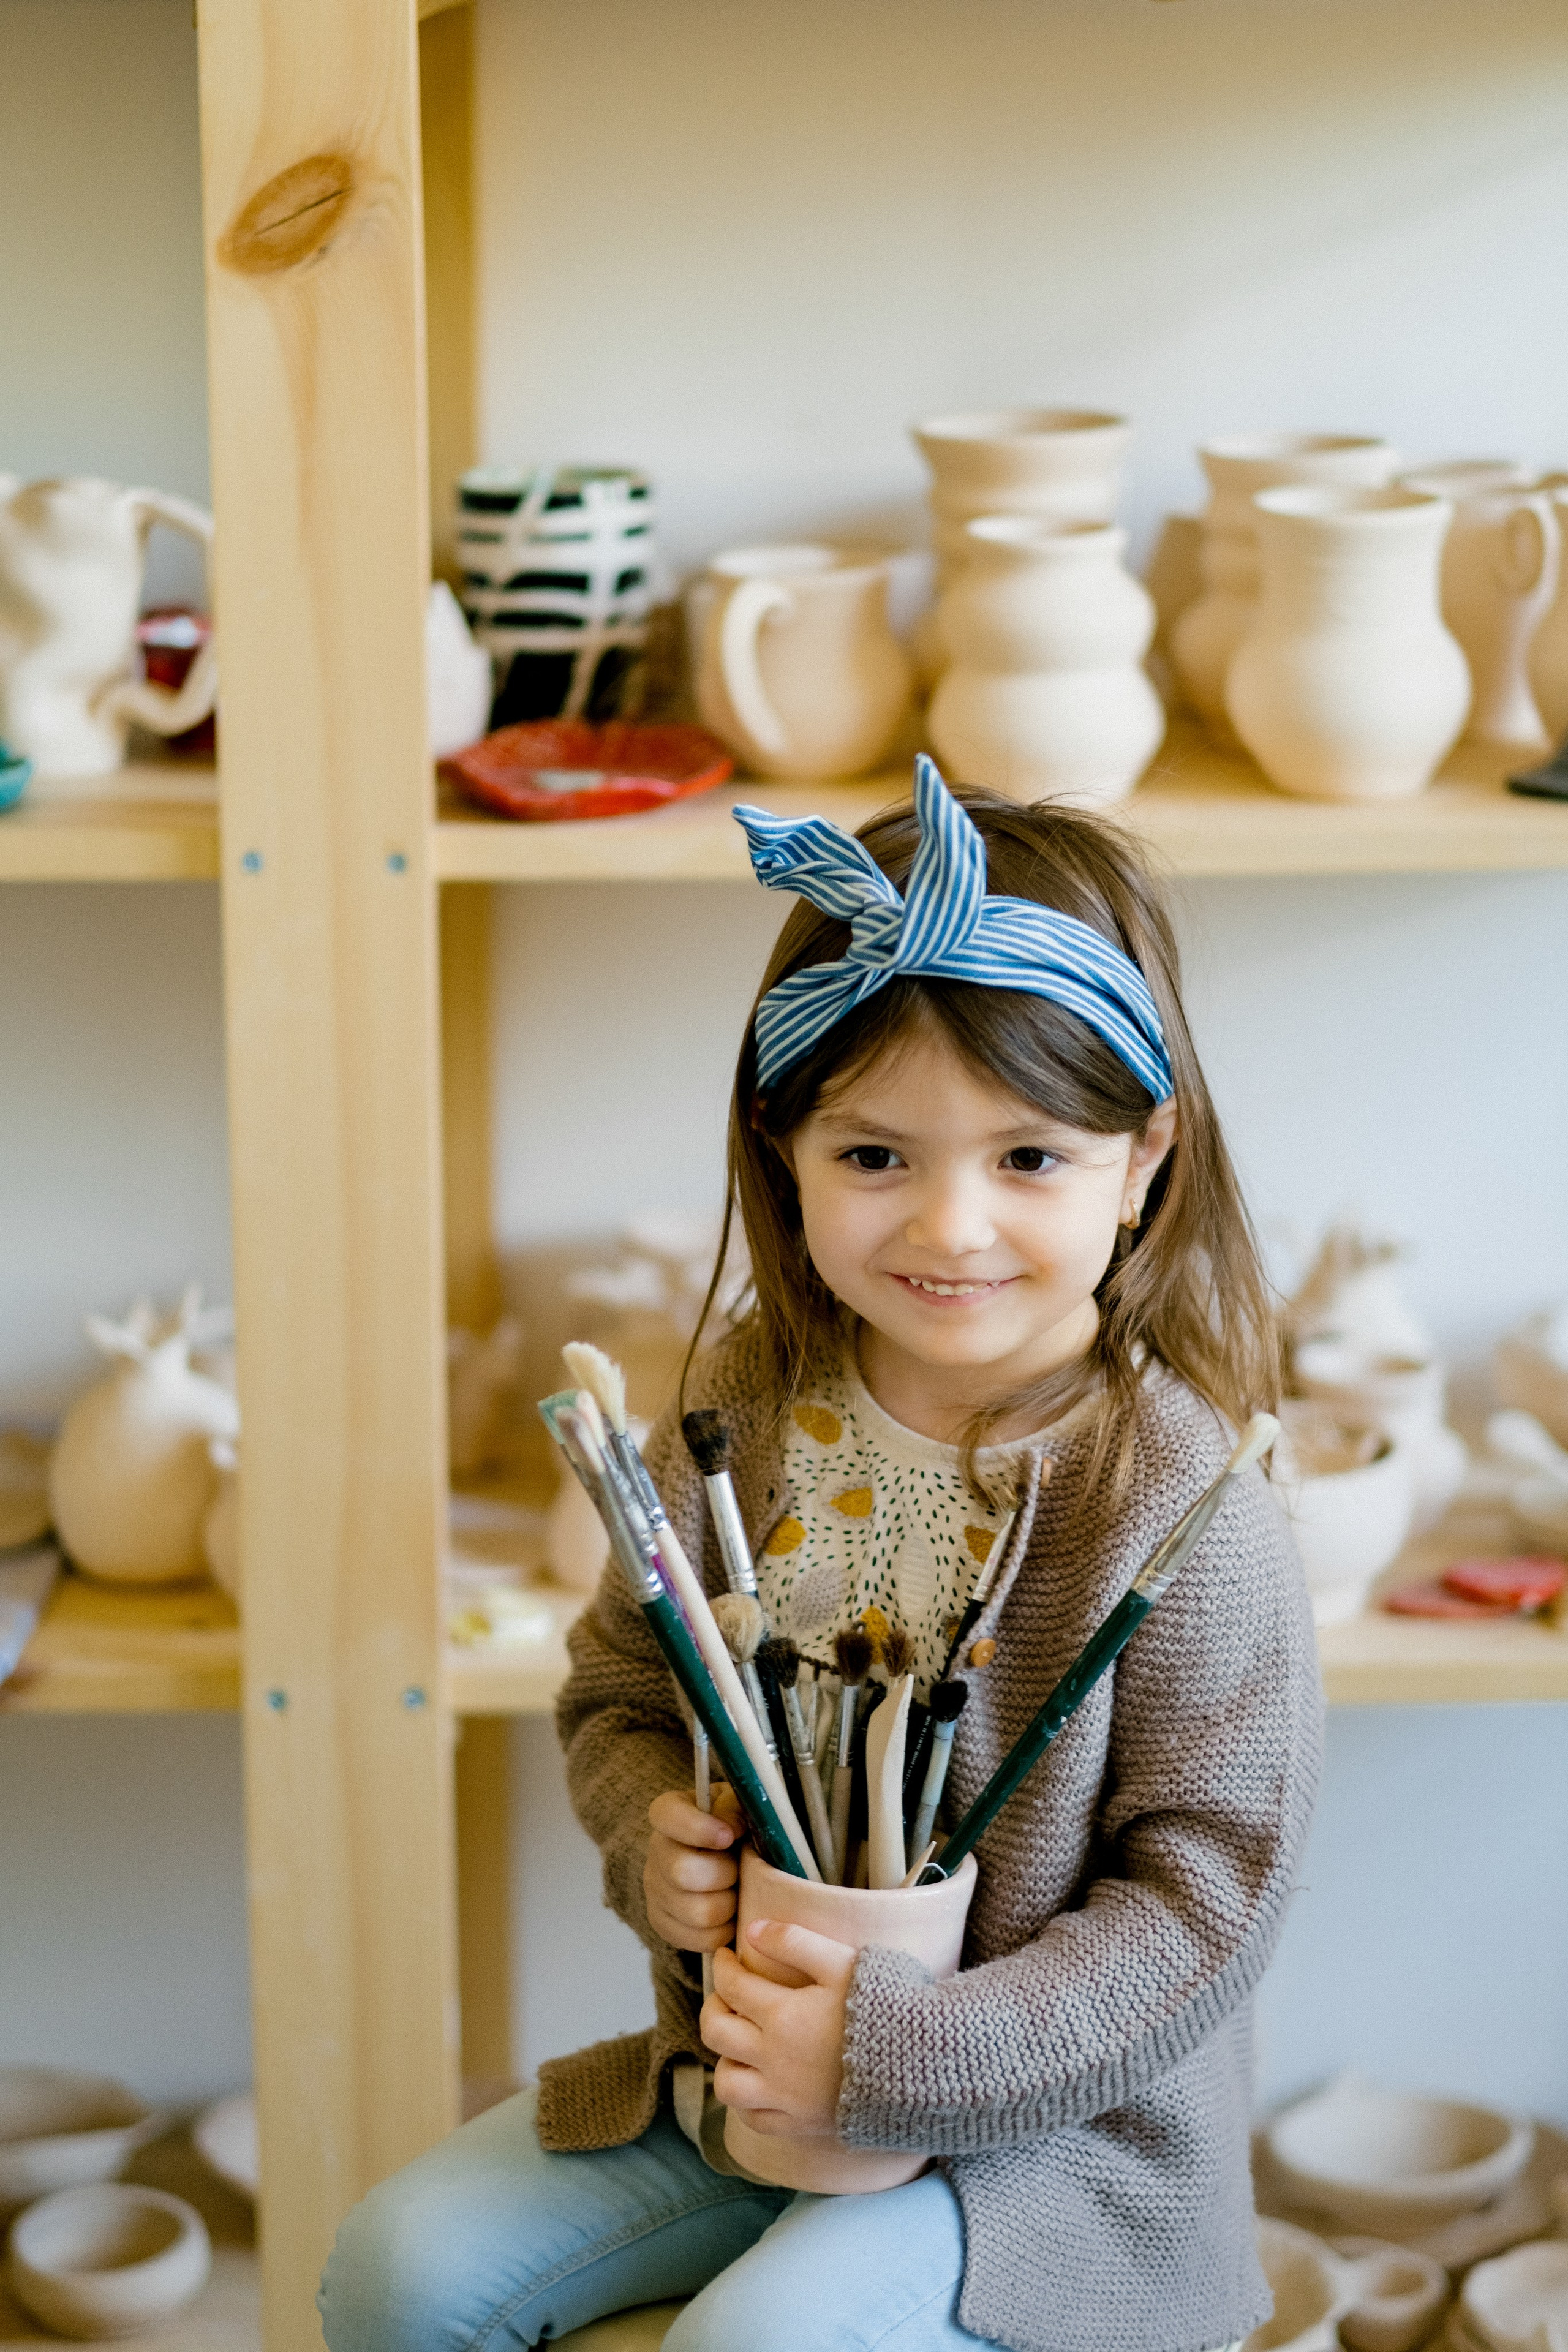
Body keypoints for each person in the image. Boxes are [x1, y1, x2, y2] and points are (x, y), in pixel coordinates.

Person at [320, 757, 1321, 2352]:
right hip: (746, 2084)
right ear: (783, 1152)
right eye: (875, 1157)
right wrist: (650, 1838)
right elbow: (616, 1697)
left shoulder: (1187, 1508)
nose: (949, 1226)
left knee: (759, 2345)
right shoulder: (743, 1400)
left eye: (1030, 1158)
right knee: (395, 2272)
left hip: (1045, 2151)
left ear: (1145, 1161)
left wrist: (901, 2058)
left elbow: (1204, 1912)